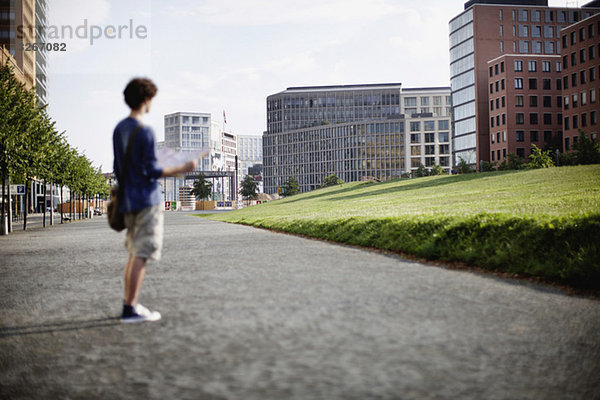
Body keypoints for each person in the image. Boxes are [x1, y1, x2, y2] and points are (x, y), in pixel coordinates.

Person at [113, 78, 196, 323]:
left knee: (133, 252)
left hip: (127, 199)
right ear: (147, 99)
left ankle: (129, 305)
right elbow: (151, 169)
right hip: (147, 200)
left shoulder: (119, 129)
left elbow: (118, 167)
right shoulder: (145, 131)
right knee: (142, 253)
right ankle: (130, 308)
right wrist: (182, 168)